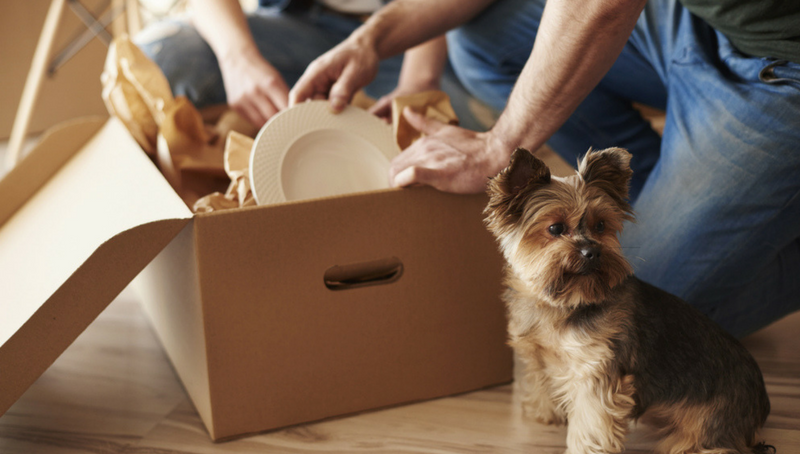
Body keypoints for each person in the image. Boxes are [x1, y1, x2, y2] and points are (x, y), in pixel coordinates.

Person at [289, 0, 800, 337]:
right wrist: (372, 38)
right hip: (696, 20)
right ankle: (658, 213)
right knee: (484, 38)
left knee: (619, 319)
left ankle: (750, 216)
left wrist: (499, 146)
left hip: (787, 66)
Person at [134, 0, 486, 130]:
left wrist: (418, 82)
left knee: (465, 134)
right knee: (157, 56)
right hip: (300, 24)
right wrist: (238, 59)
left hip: (411, 30)